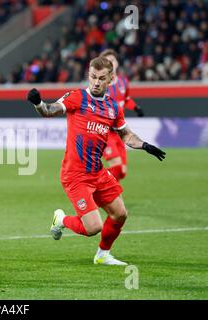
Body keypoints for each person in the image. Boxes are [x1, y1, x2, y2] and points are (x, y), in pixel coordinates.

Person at [27, 57, 165, 265]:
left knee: (120, 214)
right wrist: (38, 103)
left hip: (98, 173)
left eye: (101, 78)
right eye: (93, 77)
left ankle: (102, 255)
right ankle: (61, 219)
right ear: (88, 76)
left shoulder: (113, 107)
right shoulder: (77, 98)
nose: (96, 82)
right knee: (93, 227)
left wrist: (145, 145)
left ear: (111, 79)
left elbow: (126, 135)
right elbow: (49, 110)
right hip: (75, 176)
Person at [99, 49, 145, 181]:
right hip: (106, 132)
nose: (111, 63)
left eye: (113, 60)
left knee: (122, 172)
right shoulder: (100, 84)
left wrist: (136, 107)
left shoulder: (123, 81)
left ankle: (111, 198)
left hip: (121, 131)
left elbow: (126, 99)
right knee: (117, 167)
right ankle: (95, 183)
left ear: (117, 63)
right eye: (107, 61)